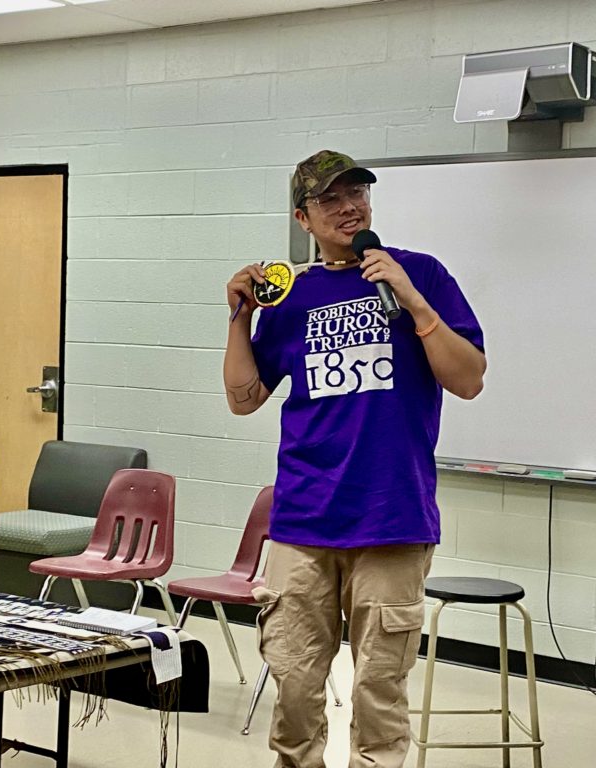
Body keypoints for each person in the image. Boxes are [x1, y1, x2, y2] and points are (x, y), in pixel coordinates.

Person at [223, 149, 486, 768]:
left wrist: (413, 301)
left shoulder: (421, 273)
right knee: (293, 686)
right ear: (303, 218)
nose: (349, 208)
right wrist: (239, 317)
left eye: (357, 194)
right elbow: (243, 399)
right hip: (304, 519)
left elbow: (469, 379)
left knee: (379, 695)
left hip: (391, 517)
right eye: (330, 200)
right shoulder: (291, 295)